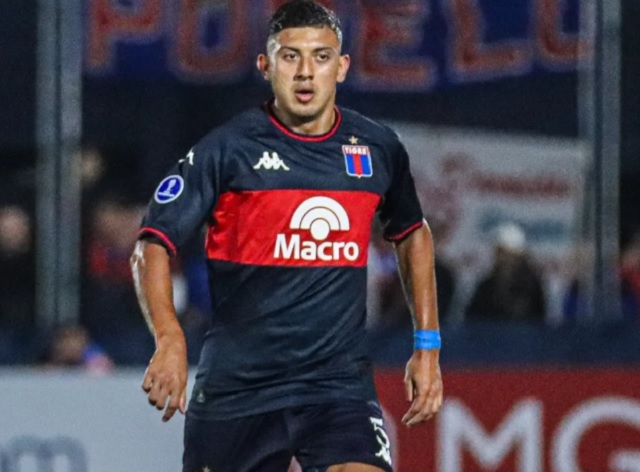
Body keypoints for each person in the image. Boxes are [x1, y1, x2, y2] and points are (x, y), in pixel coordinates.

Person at [130, 1, 443, 471]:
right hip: (239, 389)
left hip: (337, 387)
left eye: (321, 57)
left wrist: (428, 344)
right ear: (265, 65)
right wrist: (169, 338)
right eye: (290, 56)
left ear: (342, 68)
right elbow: (151, 244)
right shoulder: (227, 150)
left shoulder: (377, 148)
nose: (305, 72)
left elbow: (413, 233)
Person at [465, 222, 546, 322]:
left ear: (517, 255)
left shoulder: (532, 286)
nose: (501, 257)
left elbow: (538, 321)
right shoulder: (486, 285)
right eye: (498, 252)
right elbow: (472, 318)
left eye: (504, 252)